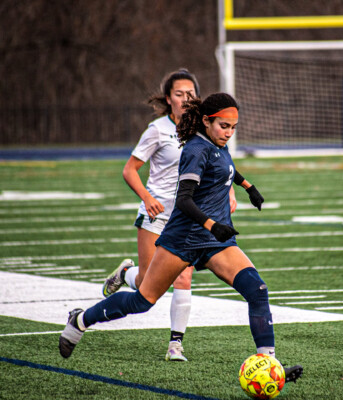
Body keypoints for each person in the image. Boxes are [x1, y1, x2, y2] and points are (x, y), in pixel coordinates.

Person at [59, 92, 303, 384]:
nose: (229, 132)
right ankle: (81, 320)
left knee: (257, 290)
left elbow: (226, 167)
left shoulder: (217, 144)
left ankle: (270, 364)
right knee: (144, 300)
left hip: (215, 242)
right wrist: (213, 225)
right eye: (224, 126)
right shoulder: (195, 150)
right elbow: (185, 200)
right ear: (206, 121)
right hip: (184, 238)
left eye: (234, 127)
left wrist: (249, 187)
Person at [100, 69, 237, 362]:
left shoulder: (205, 130)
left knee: (184, 278)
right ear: (168, 98)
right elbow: (129, 169)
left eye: (190, 94)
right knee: (151, 286)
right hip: (157, 215)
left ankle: (176, 344)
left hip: (188, 220)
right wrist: (147, 198)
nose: (185, 99)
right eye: (179, 94)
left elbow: (219, 167)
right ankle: (126, 273)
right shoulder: (157, 130)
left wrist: (229, 192)